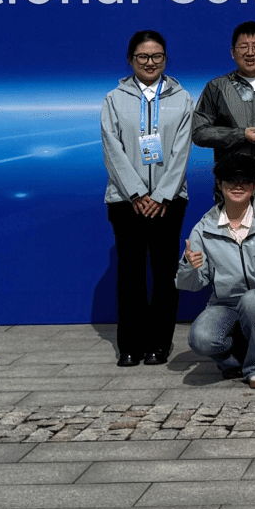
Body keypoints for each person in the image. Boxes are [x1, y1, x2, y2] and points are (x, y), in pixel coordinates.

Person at [101, 30, 195, 367]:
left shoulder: (183, 98)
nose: (150, 62)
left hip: (169, 202)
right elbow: (112, 148)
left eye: (157, 56)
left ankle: (159, 343)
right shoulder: (114, 99)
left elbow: (182, 150)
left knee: (166, 273)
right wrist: (137, 192)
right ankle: (131, 344)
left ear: (165, 59)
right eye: (143, 56)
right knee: (130, 275)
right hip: (126, 201)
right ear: (131, 60)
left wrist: (162, 194)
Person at [176, 152, 255, 389]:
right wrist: (189, 266)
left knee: (253, 300)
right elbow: (190, 285)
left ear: (253, 186)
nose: (238, 186)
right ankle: (235, 363)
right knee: (201, 339)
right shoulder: (204, 228)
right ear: (220, 185)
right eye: (231, 180)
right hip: (225, 304)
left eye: (245, 181)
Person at [190, 21, 255, 177]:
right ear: (233, 52)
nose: (250, 53)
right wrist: (241, 135)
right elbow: (199, 132)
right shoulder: (216, 87)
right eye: (243, 47)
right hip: (232, 182)